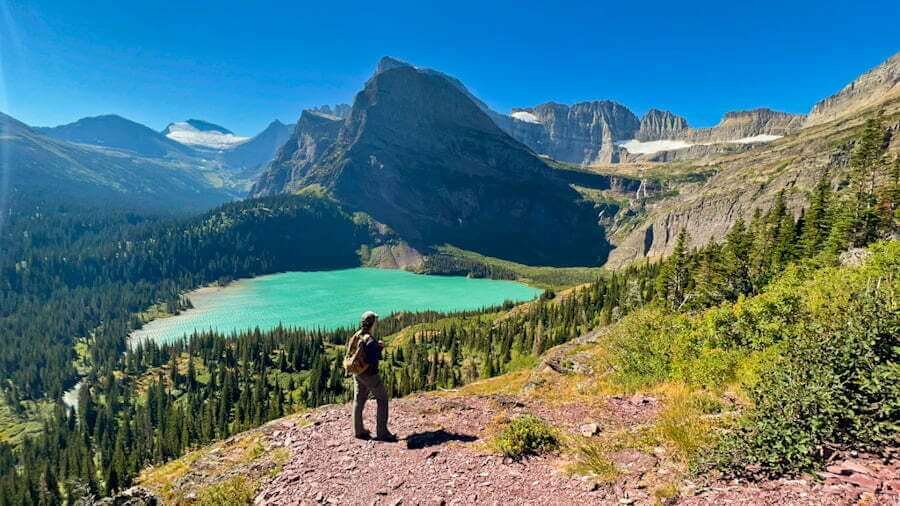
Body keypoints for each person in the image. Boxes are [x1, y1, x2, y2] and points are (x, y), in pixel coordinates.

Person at [351, 311, 396, 441]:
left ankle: (358, 430)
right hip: (370, 375)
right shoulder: (370, 340)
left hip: (357, 373)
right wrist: (379, 347)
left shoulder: (358, 335)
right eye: (376, 320)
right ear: (372, 323)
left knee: (358, 400)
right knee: (382, 399)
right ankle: (382, 433)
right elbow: (372, 359)